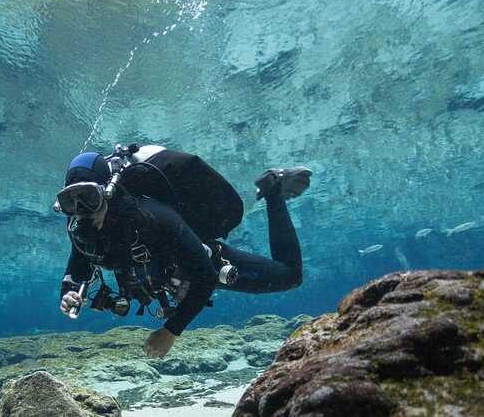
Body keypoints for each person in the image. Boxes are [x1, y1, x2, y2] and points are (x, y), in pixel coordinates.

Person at [54, 150, 310, 358]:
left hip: (200, 265)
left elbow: (206, 277)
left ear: (108, 191)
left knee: (290, 276)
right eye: (70, 201)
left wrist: (170, 332)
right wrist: (68, 293)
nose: (81, 210)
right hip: (170, 280)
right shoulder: (81, 230)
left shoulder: (153, 217)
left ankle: (274, 189)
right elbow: (77, 269)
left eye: (88, 196)